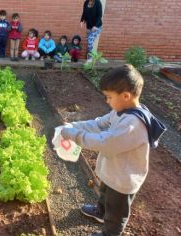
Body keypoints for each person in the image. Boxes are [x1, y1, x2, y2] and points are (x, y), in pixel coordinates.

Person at [61, 64, 166, 236]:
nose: (107, 101)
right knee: (104, 194)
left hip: (123, 180)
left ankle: (110, 233)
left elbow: (105, 143)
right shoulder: (120, 111)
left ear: (126, 96)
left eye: (109, 97)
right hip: (113, 172)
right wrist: (74, 126)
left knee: (116, 213)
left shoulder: (133, 124)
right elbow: (98, 124)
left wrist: (75, 135)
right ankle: (101, 212)